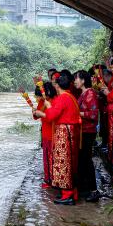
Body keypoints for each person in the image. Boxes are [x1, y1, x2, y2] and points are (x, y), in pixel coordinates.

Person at [34, 70, 81, 205]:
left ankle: (67, 195)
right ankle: (72, 192)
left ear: (57, 86)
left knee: (63, 162)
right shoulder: (70, 96)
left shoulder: (63, 98)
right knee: (69, 161)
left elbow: (51, 116)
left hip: (64, 132)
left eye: (55, 83)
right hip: (69, 131)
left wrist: (45, 109)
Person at [73, 70, 99, 201]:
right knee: (83, 160)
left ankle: (94, 191)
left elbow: (93, 114)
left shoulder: (90, 93)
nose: (75, 81)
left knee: (87, 160)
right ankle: (85, 189)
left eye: (76, 79)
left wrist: (78, 114)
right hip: (83, 131)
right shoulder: (83, 93)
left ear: (83, 80)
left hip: (88, 131)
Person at [32, 82, 57, 189]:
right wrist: (34, 112)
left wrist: (41, 114)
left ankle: (55, 180)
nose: (40, 98)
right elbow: (36, 117)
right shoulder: (42, 102)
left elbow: (52, 117)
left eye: (41, 94)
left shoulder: (54, 101)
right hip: (45, 134)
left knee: (53, 158)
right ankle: (48, 179)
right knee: (46, 158)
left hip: (53, 133)